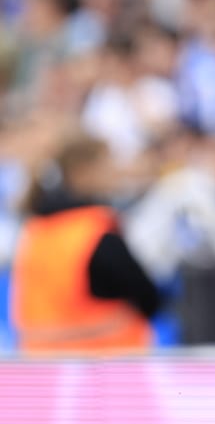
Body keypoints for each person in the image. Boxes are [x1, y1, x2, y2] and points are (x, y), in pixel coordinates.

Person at [11, 131, 163, 356]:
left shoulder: (35, 229)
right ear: (83, 172)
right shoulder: (95, 233)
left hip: (40, 369)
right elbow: (148, 298)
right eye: (107, 164)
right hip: (104, 367)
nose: (115, 172)